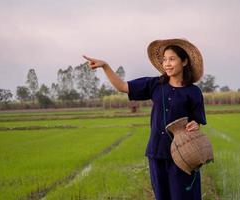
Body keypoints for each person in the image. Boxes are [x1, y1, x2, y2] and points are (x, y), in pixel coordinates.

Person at [83, 38, 206, 200]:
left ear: (184, 62)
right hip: (157, 153)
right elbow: (122, 86)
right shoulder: (155, 84)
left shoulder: (193, 92)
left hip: (184, 154)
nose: (167, 63)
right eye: (164, 60)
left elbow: (197, 120)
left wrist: (194, 124)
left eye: (171, 59)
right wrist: (105, 66)